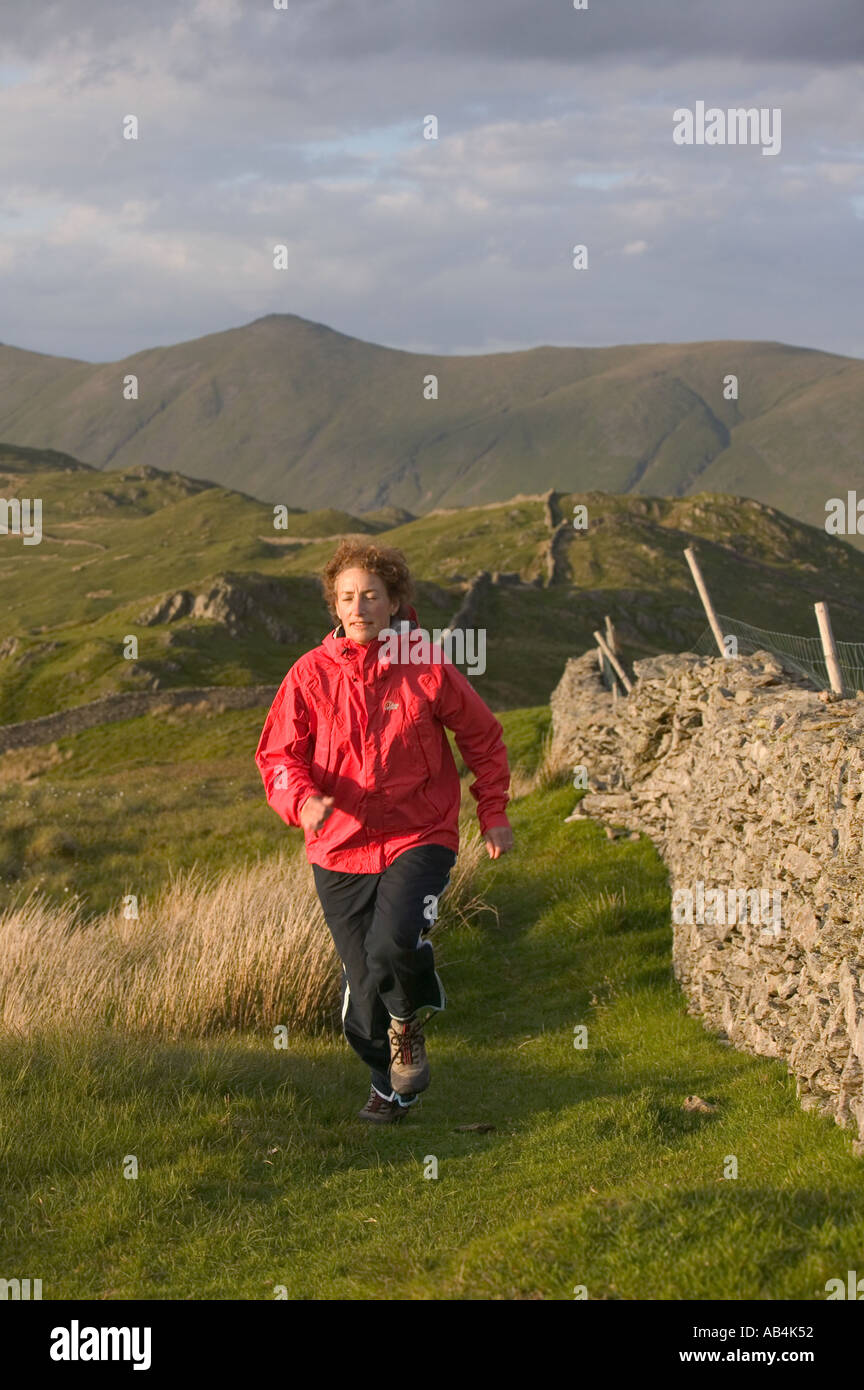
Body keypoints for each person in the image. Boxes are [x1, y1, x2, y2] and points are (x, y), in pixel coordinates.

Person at [254, 541, 513, 1124]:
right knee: (362, 982)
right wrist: (302, 800)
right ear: (334, 606)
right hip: (337, 847)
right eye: (347, 596)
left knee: (391, 943)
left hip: (419, 834)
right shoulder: (309, 674)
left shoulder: (426, 664)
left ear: (395, 601)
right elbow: (276, 755)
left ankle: (406, 1026)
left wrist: (492, 812)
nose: (359, 606)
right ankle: (390, 1084)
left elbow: (483, 738)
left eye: (371, 594)